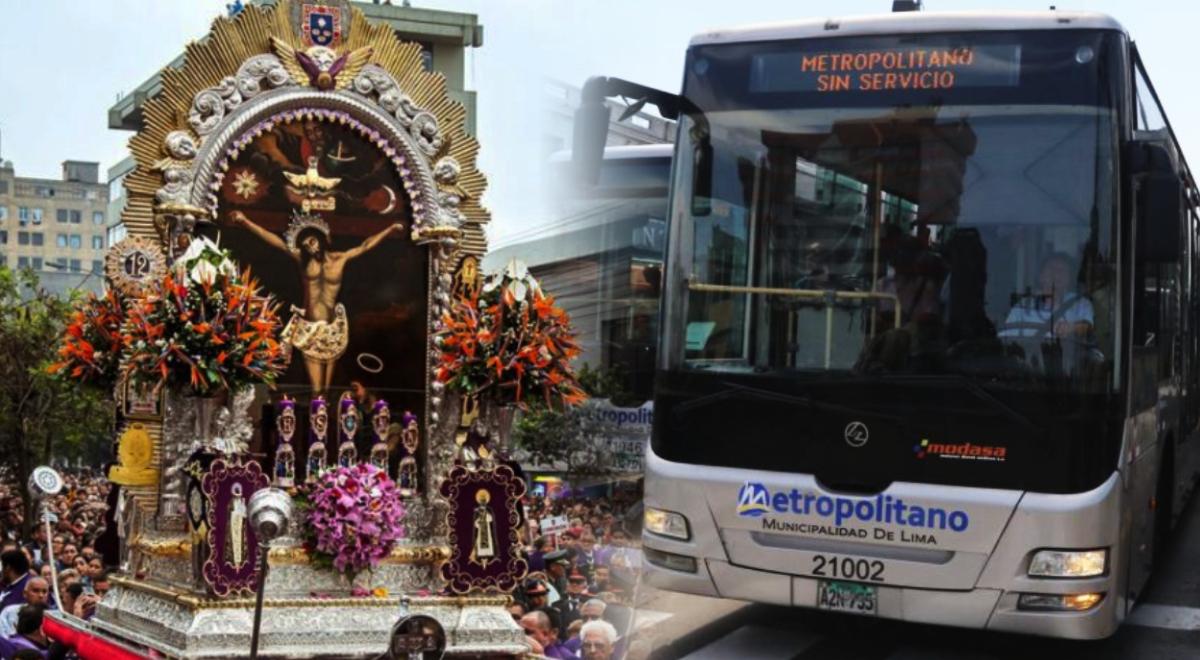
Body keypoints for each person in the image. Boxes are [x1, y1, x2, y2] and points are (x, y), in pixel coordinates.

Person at [225, 209, 405, 395]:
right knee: (316, 389)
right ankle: (315, 419)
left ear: (322, 239)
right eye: (306, 245)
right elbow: (276, 241)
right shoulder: (302, 260)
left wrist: (389, 230)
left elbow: (365, 246)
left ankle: (324, 419)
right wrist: (246, 222)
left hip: (333, 328)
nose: (310, 248)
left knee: (326, 390)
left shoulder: (340, 259)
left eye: (312, 241)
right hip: (310, 329)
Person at [999, 253, 1094, 340]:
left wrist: (1073, 327)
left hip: (1065, 356)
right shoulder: (1023, 305)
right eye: (1051, 269)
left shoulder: (1080, 303)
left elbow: (1087, 326)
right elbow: (1006, 338)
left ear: (1069, 279)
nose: (1056, 274)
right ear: (1041, 276)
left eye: (1061, 271)